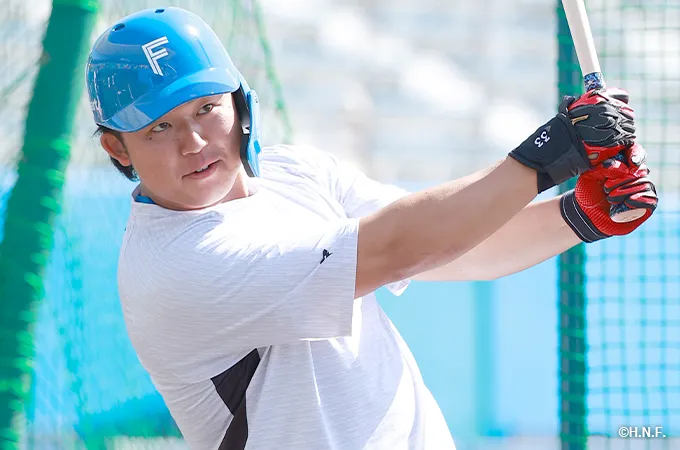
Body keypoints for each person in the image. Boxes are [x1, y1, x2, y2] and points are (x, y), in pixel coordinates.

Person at [85, 7, 658, 450]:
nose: (193, 142)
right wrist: (549, 154)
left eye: (206, 108)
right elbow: (399, 247)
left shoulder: (296, 172)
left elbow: (452, 246)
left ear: (239, 103)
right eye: (158, 127)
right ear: (117, 148)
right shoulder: (174, 267)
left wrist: (579, 215)